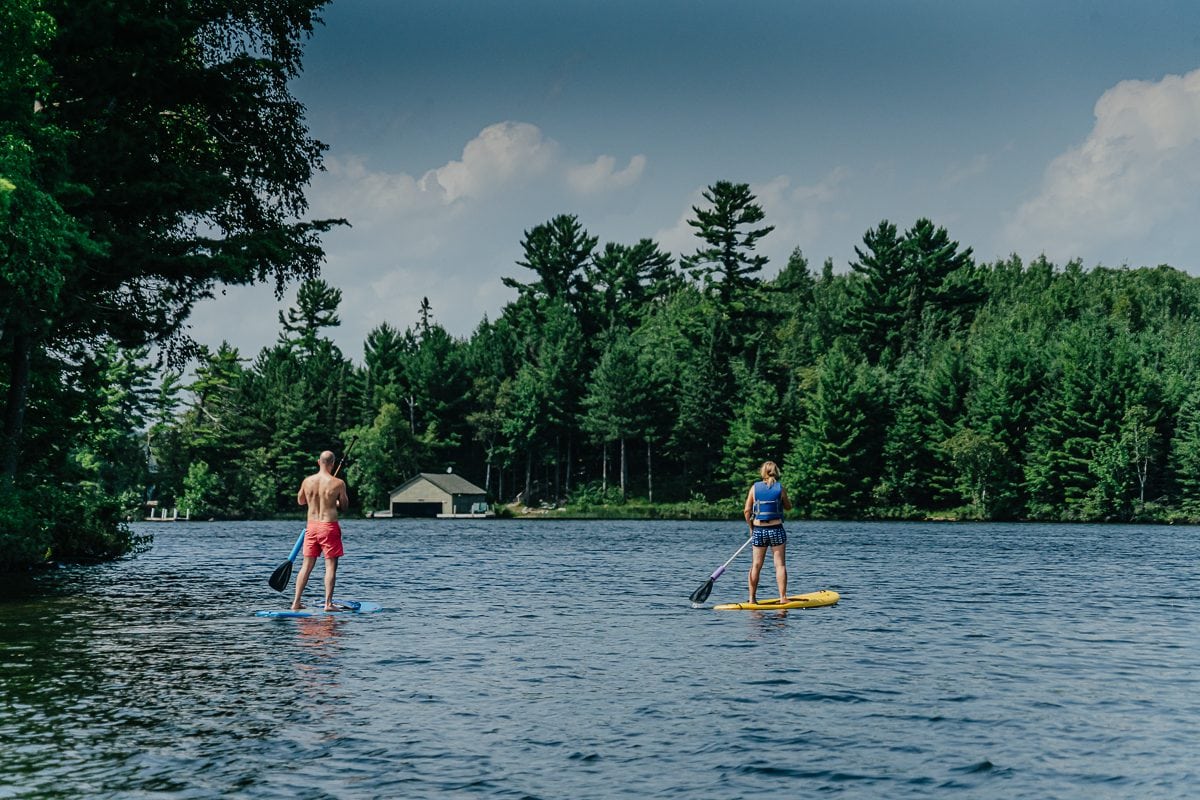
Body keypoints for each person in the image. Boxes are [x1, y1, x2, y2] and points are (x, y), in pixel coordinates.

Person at [292, 449, 349, 611]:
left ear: (319, 462)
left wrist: (316, 499)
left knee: (306, 565)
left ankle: (296, 602)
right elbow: (344, 507)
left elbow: (301, 501)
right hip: (328, 527)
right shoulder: (338, 483)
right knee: (330, 566)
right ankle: (328, 604)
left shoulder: (307, 481)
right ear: (333, 464)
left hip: (311, 526)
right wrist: (334, 502)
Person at [743, 460, 793, 604]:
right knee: (780, 565)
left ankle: (752, 598)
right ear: (776, 472)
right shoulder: (780, 488)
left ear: (762, 472)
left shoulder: (754, 488)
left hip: (759, 530)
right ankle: (783, 598)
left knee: (756, 565)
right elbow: (788, 507)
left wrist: (751, 527)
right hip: (776, 529)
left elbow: (747, 511)